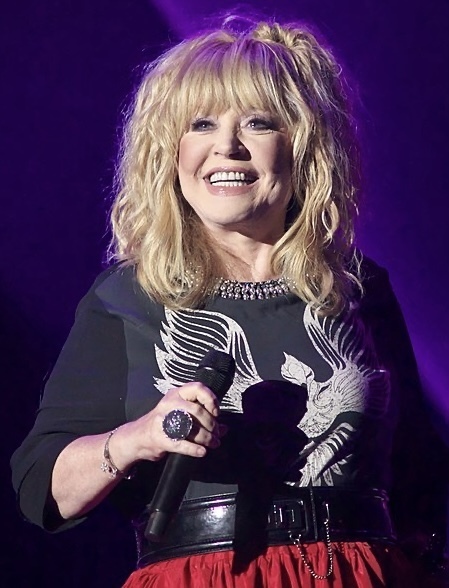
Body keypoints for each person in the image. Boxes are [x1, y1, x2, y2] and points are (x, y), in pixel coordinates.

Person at [11, 16, 449, 588]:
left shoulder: (358, 287)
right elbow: (43, 489)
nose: (227, 146)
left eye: (258, 123)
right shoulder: (127, 298)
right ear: (170, 153)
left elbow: (420, 475)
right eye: (201, 124)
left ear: (304, 147)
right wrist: (140, 437)